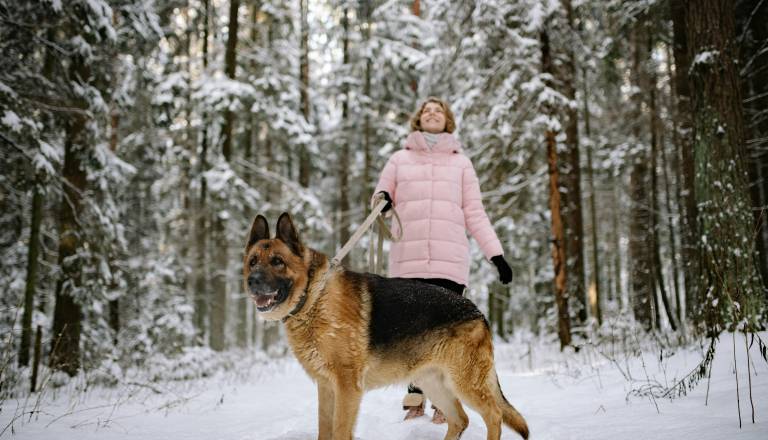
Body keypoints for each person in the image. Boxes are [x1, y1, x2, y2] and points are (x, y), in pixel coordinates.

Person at [372, 97, 513, 423]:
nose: (432, 113)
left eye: (438, 110)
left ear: (448, 120)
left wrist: (496, 254)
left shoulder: (461, 164)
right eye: (426, 110)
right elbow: (380, 195)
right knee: (409, 333)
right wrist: (382, 200)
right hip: (408, 261)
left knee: (445, 337)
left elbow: (475, 213)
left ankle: (443, 402)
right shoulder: (399, 159)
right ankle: (414, 399)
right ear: (418, 120)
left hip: (449, 263)